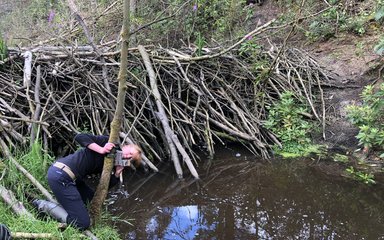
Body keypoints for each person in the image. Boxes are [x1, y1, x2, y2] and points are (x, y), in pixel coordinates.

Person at [46, 133, 142, 230]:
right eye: (129, 152)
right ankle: (43, 205)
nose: (127, 155)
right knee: (82, 223)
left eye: (130, 157)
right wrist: (101, 149)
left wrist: (117, 173)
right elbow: (79, 137)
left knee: (91, 199)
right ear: (125, 146)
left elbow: (104, 187)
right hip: (61, 174)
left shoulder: (114, 163)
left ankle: (67, 206)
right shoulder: (109, 143)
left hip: (73, 179)